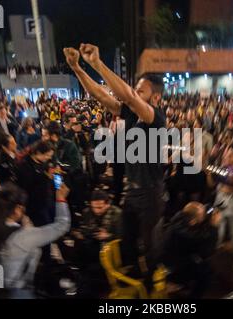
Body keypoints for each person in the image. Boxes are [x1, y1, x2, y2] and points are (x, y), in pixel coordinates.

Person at [64, 44, 166, 280]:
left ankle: (151, 286)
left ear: (156, 97)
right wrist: (77, 68)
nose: (134, 93)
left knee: (149, 246)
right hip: (132, 191)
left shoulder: (157, 118)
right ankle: (132, 282)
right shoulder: (130, 114)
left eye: (141, 91)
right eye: (136, 90)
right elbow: (100, 94)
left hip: (151, 194)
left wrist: (97, 63)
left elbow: (128, 95)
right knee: (127, 240)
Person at [0, 182, 71, 298]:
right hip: (17, 293)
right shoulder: (23, 236)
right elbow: (62, 225)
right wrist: (61, 199)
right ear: (18, 209)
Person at [155, 202, 220, 298]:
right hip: (173, 267)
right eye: (202, 215)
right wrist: (214, 227)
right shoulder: (187, 236)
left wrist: (210, 210)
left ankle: (181, 283)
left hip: (170, 259)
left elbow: (203, 213)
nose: (205, 215)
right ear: (193, 221)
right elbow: (207, 252)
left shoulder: (180, 218)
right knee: (206, 273)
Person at [206, 144, 233, 270]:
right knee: (216, 227)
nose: (227, 157)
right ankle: (213, 252)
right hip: (220, 200)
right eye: (226, 154)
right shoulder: (222, 167)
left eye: (231, 155)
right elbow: (211, 184)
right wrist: (209, 174)